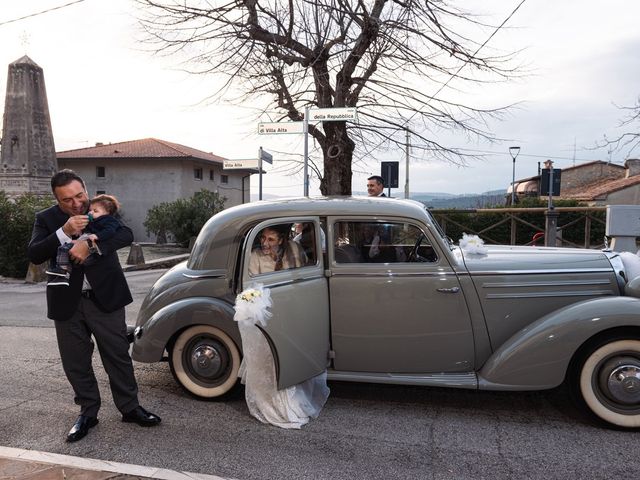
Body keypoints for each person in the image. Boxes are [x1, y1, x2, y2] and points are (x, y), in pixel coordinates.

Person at [27, 169, 161, 443]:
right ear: (56, 199)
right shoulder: (47, 218)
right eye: (67, 200)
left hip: (106, 297)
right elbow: (35, 253)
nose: (77, 204)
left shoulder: (100, 209)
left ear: (86, 190)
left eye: (80, 195)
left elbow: (124, 234)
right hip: (66, 302)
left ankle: (130, 407)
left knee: (117, 355)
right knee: (75, 362)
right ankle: (88, 412)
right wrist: (63, 233)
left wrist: (90, 244)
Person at [46, 194, 122, 286]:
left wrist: (97, 236)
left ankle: (66, 270)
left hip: (93, 242)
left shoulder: (109, 220)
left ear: (107, 212)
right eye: (90, 210)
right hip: (84, 238)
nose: (90, 213)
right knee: (63, 248)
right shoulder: (92, 219)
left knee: (81, 258)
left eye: (95, 211)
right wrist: (79, 229)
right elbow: (85, 226)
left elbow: (110, 231)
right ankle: (62, 270)